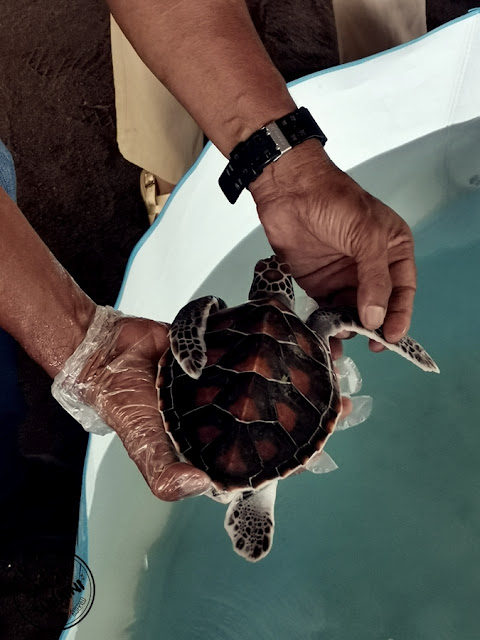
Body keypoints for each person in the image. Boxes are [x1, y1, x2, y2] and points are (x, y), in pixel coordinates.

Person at [0, 0, 420, 503]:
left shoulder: (218, 316)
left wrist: (289, 177)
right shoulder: (289, 319)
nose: (275, 269)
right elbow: (205, 335)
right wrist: (86, 353)